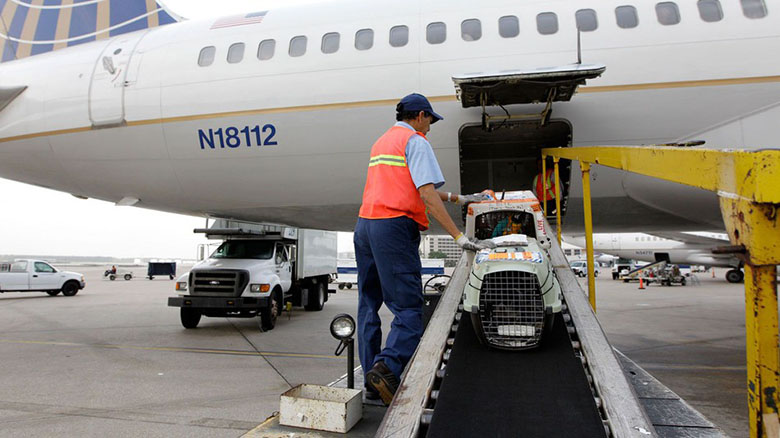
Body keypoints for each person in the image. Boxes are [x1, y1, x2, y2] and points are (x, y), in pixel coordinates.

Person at [354, 93, 494, 405]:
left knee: (368, 305)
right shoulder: (416, 141)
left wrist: (461, 198)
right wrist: (459, 237)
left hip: (365, 226)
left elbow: (413, 187)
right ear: (419, 116)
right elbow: (427, 194)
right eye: (430, 120)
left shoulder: (383, 142)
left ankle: (371, 383)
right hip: (392, 228)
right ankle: (387, 368)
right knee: (408, 309)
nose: (430, 126)